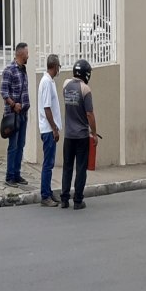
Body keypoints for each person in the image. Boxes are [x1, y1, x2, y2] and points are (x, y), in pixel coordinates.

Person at [61, 59, 97, 210]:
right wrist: (94, 133)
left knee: (67, 167)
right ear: (86, 74)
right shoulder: (85, 89)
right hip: (81, 136)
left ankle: (64, 199)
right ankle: (77, 200)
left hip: (68, 136)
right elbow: (90, 114)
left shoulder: (65, 85)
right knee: (81, 168)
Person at [0, 42, 30, 188]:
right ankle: (9, 176)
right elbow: (4, 92)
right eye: (27, 53)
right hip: (13, 115)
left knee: (21, 145)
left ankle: (17, 174)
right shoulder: (9, 70)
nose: (28, 55)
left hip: (23, 114)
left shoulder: (23, 70)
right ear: (20, 54)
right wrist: (13, 104)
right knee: (13, 146)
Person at [38, 54, 62, 207]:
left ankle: (48, 191)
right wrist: (54, 128)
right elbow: (47, 108)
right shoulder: (46, 82)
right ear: (54, 66)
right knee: (48, 163)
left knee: (50, 163)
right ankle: (45, 195)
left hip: (50, 129)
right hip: (48, 130)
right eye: (59, 66)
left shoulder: (49, 81)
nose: (59, 69)